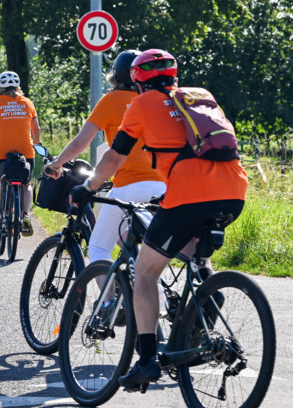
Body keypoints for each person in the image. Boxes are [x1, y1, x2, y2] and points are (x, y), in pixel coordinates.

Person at [69, 49, 248, 390]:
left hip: (189, 195)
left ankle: (148, 360)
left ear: (136, 81)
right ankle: (207, 296)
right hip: (233, 191)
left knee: (147, 272)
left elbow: (114, 156)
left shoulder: (141, 104)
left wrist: (89, 187)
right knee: (194, 253)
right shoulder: (198, 98)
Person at [45, 50, 166, 263]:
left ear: (115, 77)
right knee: (136, 242)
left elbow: (80, 144)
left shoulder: (110, 100)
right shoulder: (156, 100)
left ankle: (111, 297)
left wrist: (56, 164)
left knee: (99, 247)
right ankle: (136, 278)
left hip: (129, 185)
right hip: (164, 186)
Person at [0, 71, 40, 235]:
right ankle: (26, 215)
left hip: (0, 152)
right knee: (27, 184)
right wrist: (37, 143)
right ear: (17, 87)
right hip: (25, 151)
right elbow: (36, 129)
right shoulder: (27, 103)